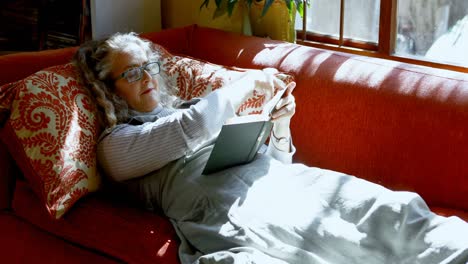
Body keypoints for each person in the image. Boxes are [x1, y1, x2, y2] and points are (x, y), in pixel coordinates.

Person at [73, 32, 468, 264]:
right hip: (229, 207)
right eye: (132, 72)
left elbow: (275, 159)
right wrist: (248, 83)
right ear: (110, 89)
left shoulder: (191, 107)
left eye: (150, 66)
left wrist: (280, 123)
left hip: (280, 179)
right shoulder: (118, 145)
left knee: (390, 210)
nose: (148, 77)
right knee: (331, 244)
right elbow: (188, 131)